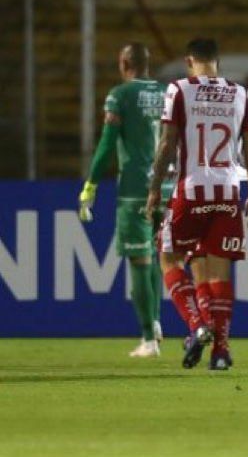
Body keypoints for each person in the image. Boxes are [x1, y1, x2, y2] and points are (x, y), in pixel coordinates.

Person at [145, 38, 248, 371]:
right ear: (217, 61)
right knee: (217, 272)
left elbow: (167, 144)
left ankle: (197, 325)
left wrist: (155, 188)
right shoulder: (242, 94)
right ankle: (221, 352)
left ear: (189, 61)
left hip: (192, 189)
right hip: (227, 191)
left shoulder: (180, 89)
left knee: (168, 257)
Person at [79, 43, 168, 358]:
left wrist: (90, 184)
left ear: (124, 63)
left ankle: (148, 339)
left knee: (139, 260)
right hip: (167, 186)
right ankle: (156, 322)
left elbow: (107, 144)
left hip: (136, 189)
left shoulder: (120, 95)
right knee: (156, 256)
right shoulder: (167, 93)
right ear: (148, 63)